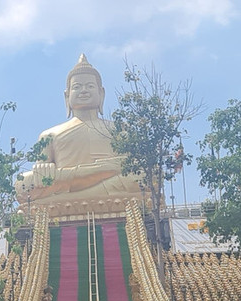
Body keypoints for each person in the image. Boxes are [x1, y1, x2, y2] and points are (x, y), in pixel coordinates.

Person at [15, 54, 144, 215]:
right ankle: (83, 196)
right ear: (66, 95)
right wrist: (44, 169)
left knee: (144, 175)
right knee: (22, 182)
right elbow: (39, 179)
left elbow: (134, 168)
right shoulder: (49, 135)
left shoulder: (121, 129)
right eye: (77, 87)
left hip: (69, 199)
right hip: (98, 193)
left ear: (101, 93)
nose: (83, 91)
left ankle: (77, 198)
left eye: (90, 86)